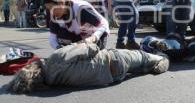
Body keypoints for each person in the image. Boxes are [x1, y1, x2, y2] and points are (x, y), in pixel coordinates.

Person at [7, 42, 169, 94]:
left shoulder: (52, 82)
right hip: (114, 59)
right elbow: (91, 48)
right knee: (144, 56)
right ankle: (163, 58)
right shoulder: (55, 60)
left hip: (112, 77)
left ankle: (150, 66)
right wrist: (85, 42)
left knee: (140, 67)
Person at [44, 0, 109, 50]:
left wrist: (93, 38)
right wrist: (59, 48)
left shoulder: (81, 9)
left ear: (61, 3)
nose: (51, 12)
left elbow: (104, 24)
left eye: (53, 8)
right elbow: (52, 38)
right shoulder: (55, 17)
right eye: (49, 9)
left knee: (92, 58)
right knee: (62, 34)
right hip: (79, 37)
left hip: (97, 35)